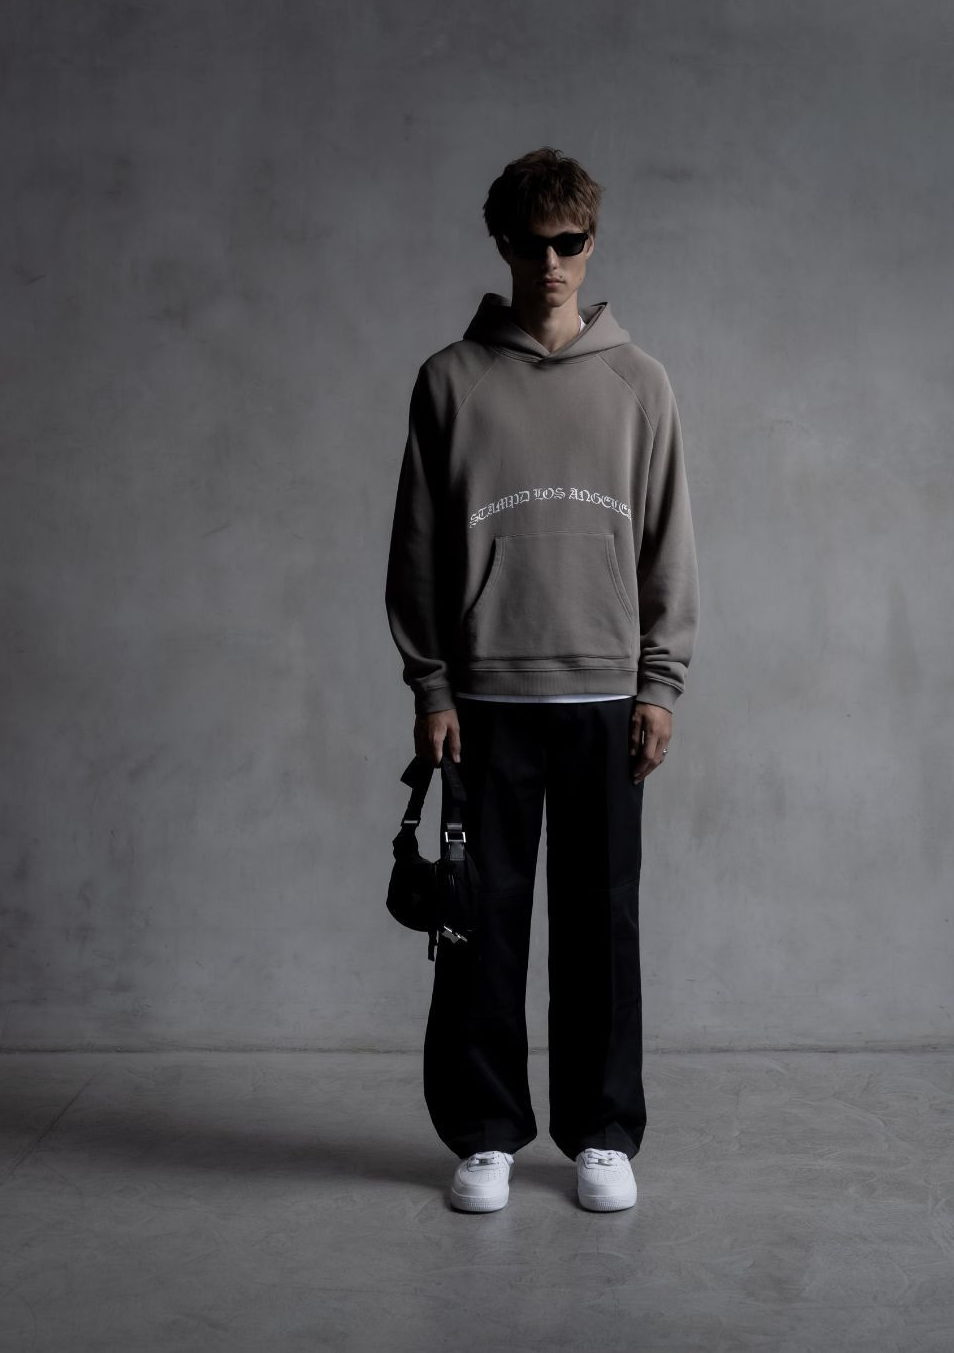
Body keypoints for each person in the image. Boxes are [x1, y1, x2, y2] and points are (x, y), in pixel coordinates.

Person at [384, 147, 699, 1213]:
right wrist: (431, 687)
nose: (551, 262)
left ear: (591, 242)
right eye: (531, 244)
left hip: (606, 695)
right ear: (502, 245)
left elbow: (668, 542)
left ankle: (601, 1132)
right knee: (480, 925)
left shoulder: (639, 383)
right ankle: (485, 1134)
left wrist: (660, 683)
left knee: (601, 923)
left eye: (569, 242)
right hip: (485, 701)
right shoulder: (450, 381)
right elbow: (418, 548)